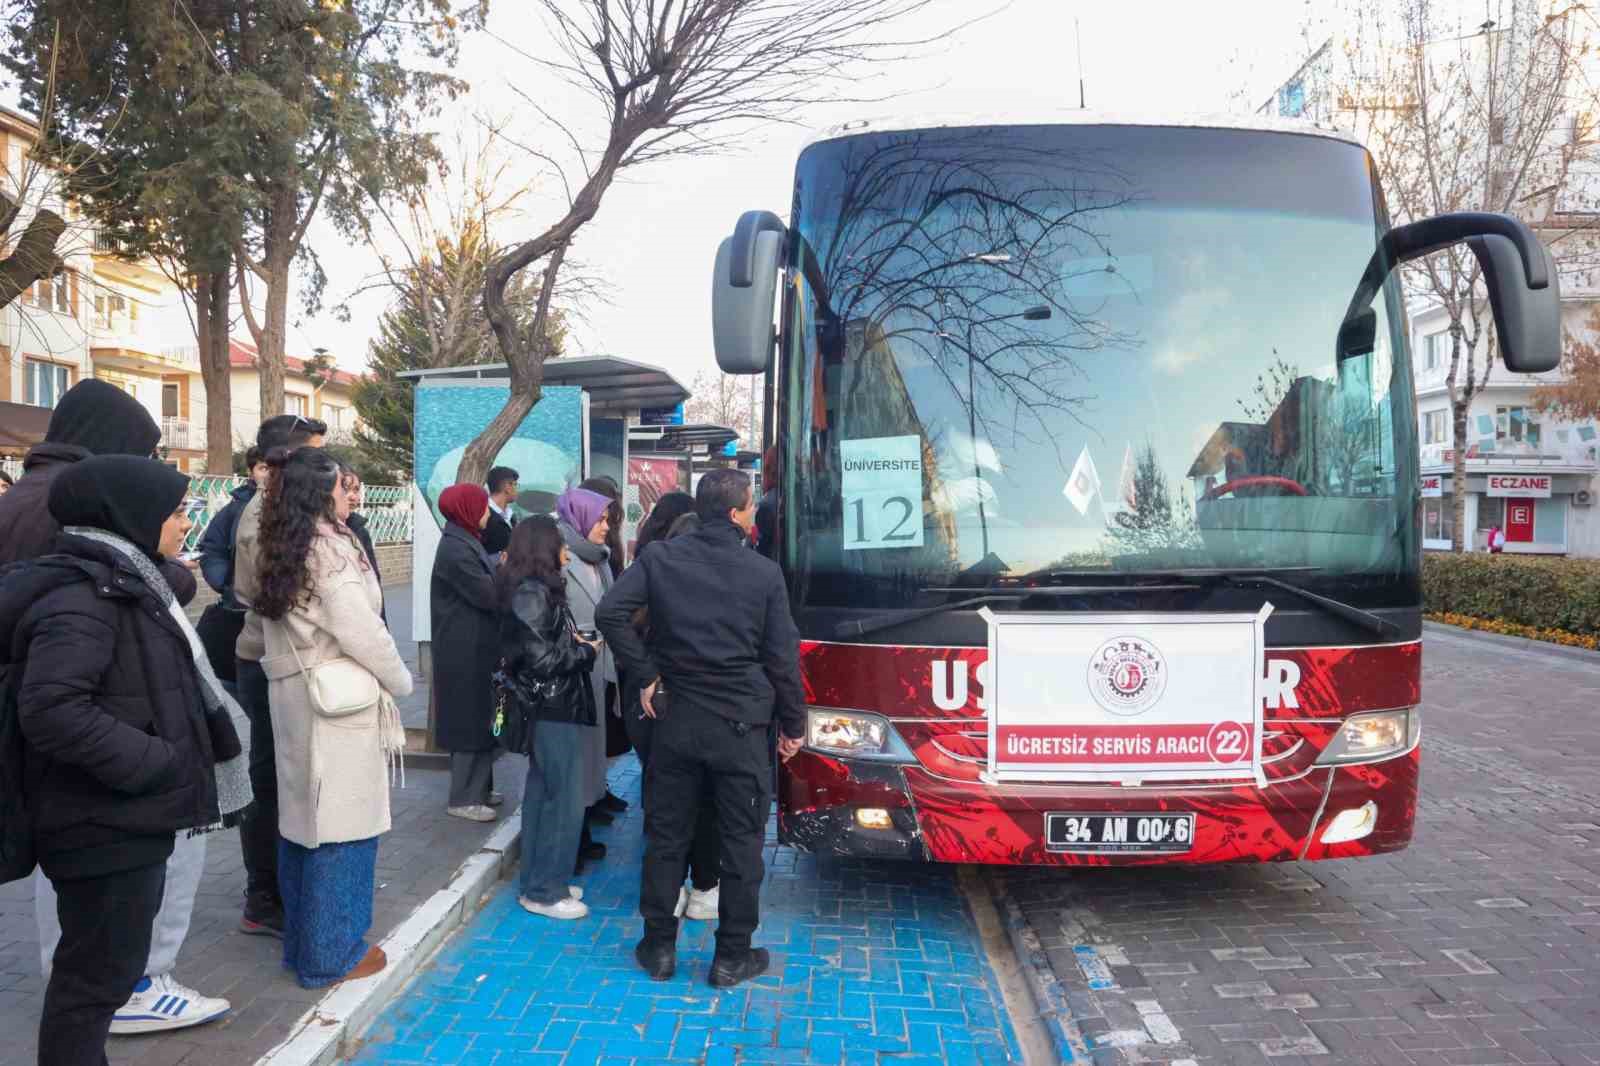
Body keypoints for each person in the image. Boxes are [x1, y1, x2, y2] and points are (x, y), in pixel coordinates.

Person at [1, 456, 251, 1063]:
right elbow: (53, 709)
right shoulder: (86, 598)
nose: (185, 523)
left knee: (101, 978)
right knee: (94, 983)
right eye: (175, 512)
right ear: (132, 515)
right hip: (102, 821)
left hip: (120, 817)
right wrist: (157, 763)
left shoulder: (131, 583)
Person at [596, 468, 806, 988]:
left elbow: (610, 612)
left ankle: (658, 947)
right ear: (736, 513)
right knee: (741, 843)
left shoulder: (659, 558)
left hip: (677, 723)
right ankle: (731, 955)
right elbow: (782, 659)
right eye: (751, 506)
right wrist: (793, 724)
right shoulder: (763, 573)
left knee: (667, 836)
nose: (754, 515)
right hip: (742, 728)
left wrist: (647, 673)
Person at [255, 447, 411, 989]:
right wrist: (401, 680)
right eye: (346, 487)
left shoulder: (281, 541)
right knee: (345, 830)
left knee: (302, 827)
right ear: (322, 493)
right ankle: (332, 955)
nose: (354, 496)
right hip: (336, 706)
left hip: (295, 698)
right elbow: (362, 630)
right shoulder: (331, 551)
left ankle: (302, 946)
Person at [232, 415, 327, 938]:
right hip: (268, 659)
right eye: (315, 454)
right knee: (270, 779)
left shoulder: (285, 505)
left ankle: (281, 886)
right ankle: (264, 896)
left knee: (286, 775)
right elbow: (269, 595)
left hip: (283, 658)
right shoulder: (261, 518)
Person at [620, 504, 720, 923]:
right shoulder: (718, 589)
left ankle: (670, 892)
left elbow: (615, 619)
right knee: (706, 803)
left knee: (665, 807)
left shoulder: (650, 587)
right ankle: (704, 887)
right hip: (701, 712)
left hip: (652, 710)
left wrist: (645, 676)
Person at [498, 516, 601, 919]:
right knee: (562, 799)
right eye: (561, 545)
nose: (567, 553)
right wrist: (586, 652)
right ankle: (545, 891)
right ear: (544, 548)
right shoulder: (531, 594)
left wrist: (572, 643)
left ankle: (539, 880)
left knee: (545, 794)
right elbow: (543, 660)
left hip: (551, 706)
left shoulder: (534, 591)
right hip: (551, 707)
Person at [432, 483, 503, 822]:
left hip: (476, 646)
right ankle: (463, 798)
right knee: (468, 722)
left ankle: (480, 790)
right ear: (468, 510)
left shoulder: (465, 540)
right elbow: (488, 595)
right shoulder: (456, 550)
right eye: (483, 506)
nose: (487, 512)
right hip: (463, 650)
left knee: (481, 719)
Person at [556, 486, 619, 863]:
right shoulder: (561, 557)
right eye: (600, 519)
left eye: (607, 520)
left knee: (592, 753)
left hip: (597, 665)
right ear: (580, 518)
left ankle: (584, 822)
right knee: (574, 756)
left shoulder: (600, 558)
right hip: (573, 668)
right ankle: (572, 841)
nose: (606, 526)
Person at [483, 466, 520, 556]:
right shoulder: (485, 516)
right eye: (516, 485)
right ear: (507, 487)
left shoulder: (511, 516)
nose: (517, 490)